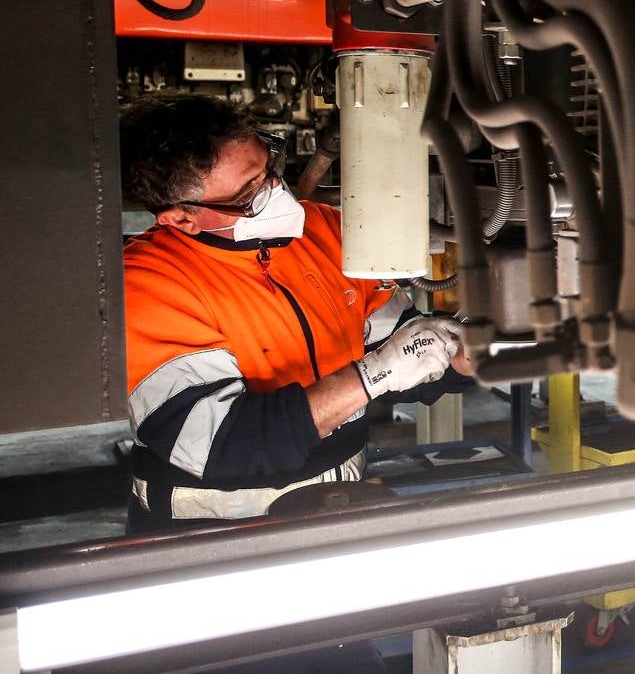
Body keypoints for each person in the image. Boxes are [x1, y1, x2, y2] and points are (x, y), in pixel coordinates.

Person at [118, 93, 470, 534]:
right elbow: (223, 445)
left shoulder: (324, 230)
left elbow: (401, 348)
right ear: (182, 219)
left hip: (337, 510)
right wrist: (373, 375)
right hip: (208, 540)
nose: (276, 192)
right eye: (250, 192)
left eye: (269, 170)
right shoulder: (148, 284)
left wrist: (462, 355)